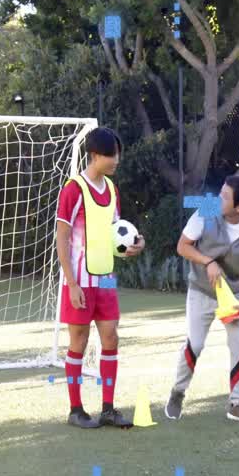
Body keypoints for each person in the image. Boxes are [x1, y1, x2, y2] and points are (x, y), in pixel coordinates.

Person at [55, 127, 144, 429]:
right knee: (78, 341)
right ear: (95, 155)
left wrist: (134, 245)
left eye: (117, 154)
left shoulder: (112, 190)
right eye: (111, 155)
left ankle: (108, 408)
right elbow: (62, 237)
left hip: (106, 280)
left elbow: (117, 233)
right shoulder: (73, 189)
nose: (116, 160)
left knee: (111, 337)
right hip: (80, 281)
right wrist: (71, 283)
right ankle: (75, 409)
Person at [166, 175, 239, 424]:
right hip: (201, 289)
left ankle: (237, 404)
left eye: (225, 196)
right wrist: (208, 261)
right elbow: (183, 246)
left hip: (233, 295)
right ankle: (177, 393)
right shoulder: (207, 209)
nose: (219, 198)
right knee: (196, 345)